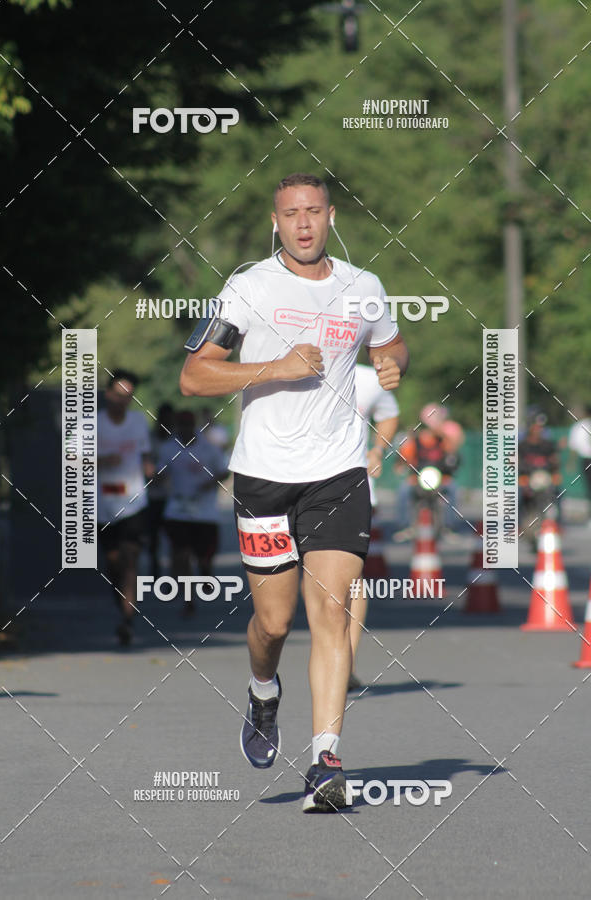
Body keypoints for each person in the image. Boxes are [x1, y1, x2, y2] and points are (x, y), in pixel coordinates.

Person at [180, 172, 408, 812]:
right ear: (274, 222)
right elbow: (195, 376)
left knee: (330, 614)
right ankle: (261, 689)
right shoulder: (247, 288)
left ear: (332, 216)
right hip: (264, 474)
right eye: (290, 214)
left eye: (313, 211)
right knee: (274, 621)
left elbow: (392, 346)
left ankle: (326, 760)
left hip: (338, 472)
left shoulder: (363, 288)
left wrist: (395, 364)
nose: (303, 223)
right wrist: (276, 366)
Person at [348, 362, 399, 691]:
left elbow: (389, 413)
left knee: (352, 577)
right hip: (294, 487)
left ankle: (344, 663)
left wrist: (378, 449)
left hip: (353, 488)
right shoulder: (293, 367)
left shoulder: (368, 379)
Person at [97, 369, 154, 646]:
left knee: (130, 558)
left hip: (134, 500)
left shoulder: (138, 421)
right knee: (113, 561)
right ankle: (122, 607)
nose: (123, 401)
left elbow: (145, 455)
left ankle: (127, 620)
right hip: (102, 503)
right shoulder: (91, 425)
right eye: (119, 395)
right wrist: (98, 462)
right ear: (108, 395)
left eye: (129, 397)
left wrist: (149, 468)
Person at [158, 410, 229, 612]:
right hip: (178, 508)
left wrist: (211, 483)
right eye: (181, 426)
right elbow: (159, 471)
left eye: (188, 426)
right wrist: (158, 477)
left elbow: (223, 471)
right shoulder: (168, 448)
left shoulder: (208, 448)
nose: (185, 430)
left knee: (204, 555)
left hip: (204, 511)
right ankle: (189, 597)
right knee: (181, 553)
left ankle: (205, 571)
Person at [394, 403, 464, 540]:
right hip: (417, 480)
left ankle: (448, 528)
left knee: (453, 489)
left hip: (441, 479)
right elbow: (403, 458)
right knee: (403, 491)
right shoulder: (414, 442)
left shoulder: (443, 441)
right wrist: (401, 465)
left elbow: (454, 455)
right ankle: (405, 526)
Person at [147, 402, 175, 579]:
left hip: (172, 496)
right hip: (152, 496)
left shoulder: (176, 440)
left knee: (174, 540)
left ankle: (173, 575)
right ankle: (155, 572)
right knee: (153, 540)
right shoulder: (150, 439)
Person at [567, 405, 591, 520]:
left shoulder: (580, 425)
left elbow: (574, 447)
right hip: (587, 459)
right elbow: (575, 446)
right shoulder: (580, 426)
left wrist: (571, 462)